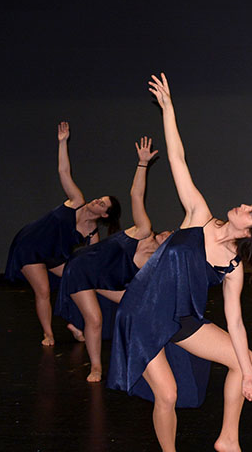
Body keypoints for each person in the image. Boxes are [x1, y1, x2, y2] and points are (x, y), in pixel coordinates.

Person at [107, 73, 252, 452]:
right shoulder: (198, 215)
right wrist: (169, 110)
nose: (242, 205)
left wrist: (249, 373)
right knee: (165, 394)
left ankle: (228, 439)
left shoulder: (233, 267)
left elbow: (236, 323)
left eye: (251, 212)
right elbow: (178, 161)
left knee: (247, 360)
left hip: (181, 319)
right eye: (249, 205)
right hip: (143, 314)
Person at [55, 137, 172, 382]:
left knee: (134, 301)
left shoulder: (154, 262)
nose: (166, 233)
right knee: (95, 319)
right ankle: (96, 367)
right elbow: (136, 195)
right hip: (80, 268)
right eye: (168, 230)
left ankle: (149, 354)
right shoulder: (143, 230)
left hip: (102, 280)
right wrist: (142, 164)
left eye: (171, 237)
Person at [5, 122, 121, 346]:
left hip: (52, 254)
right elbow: (63, 172)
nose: (97, 200)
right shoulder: (77, 200)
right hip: (29, 245)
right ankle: (48, 333)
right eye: (100, 198)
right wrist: (62, 142)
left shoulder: (91, 232)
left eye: (102, 204)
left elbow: (91, 260)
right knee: (43, 290)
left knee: (78, 278)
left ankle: (76, 323)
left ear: (104, 215)